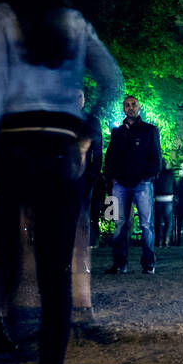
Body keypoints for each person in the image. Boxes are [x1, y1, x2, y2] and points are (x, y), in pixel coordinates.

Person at [0, 0, 123, 364]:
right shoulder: (74, 23)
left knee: (5, 259)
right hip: (61, 154)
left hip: (12, 149)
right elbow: (114, 81)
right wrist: (85, 133)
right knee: (56, 279)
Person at [104, 96, 163, 275]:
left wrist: (148, 177)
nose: (130, 108)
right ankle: (120, 264)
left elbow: (156, 157)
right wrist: (111, 177)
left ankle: (148, 264)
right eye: (127, 105)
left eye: (133, 105)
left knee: (146, 225)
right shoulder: (117, 132)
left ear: (139, 107)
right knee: (119, 224)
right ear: (123, 108)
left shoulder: (150, 130)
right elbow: (110, 157)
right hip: (120, 185)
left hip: (142, 184)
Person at [72, 89, 104, 324]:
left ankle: (80, 261)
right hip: (62, 178)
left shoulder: (92, 121)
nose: (77, 99)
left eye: (80, 96)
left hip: (84, 180)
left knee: (81, 222)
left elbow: (97, 152)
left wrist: (92, 177)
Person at [154, 163, 176, 247]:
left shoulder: (156, 173)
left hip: (158, 198)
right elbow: (174, 185)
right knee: (168, 221)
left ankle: (158, 240)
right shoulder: (170, 173)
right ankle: (166, 240)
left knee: (158, 221)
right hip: (168, 198)